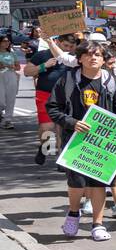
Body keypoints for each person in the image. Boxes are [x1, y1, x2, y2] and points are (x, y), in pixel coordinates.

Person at [45, 41, 116, 242]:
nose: (94, 58)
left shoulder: (111, 82)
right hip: (75, 139)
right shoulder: (68, 80)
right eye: (89, 54)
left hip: (103, 143)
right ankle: (73, 213)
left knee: (99, 182)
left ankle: (98, 224)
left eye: (98, 55)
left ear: (103, 59)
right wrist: (72, 123)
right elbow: (53, 108)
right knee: (77, 182)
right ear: (80, 58)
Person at [24, 31, 76, 165]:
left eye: (71, 47)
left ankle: (60, 160)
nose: (68, 49)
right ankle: (44, 147)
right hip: (45, 94)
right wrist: (44, 66)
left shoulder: (73, 58)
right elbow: (27, 72)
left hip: (66, 97)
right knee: (47, 127)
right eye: (65, 45)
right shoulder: (42, 55)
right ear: (57, 42)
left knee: (62, 128)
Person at [0, 34, 22, 128]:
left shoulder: (12, 53)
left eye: (8, 41)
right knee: (2, 101)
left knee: (11, 98)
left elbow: (18, 67)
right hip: (0, 76)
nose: (7, 43)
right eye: (4, 41)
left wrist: (13, 66)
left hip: (11, 75)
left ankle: (7, 120)